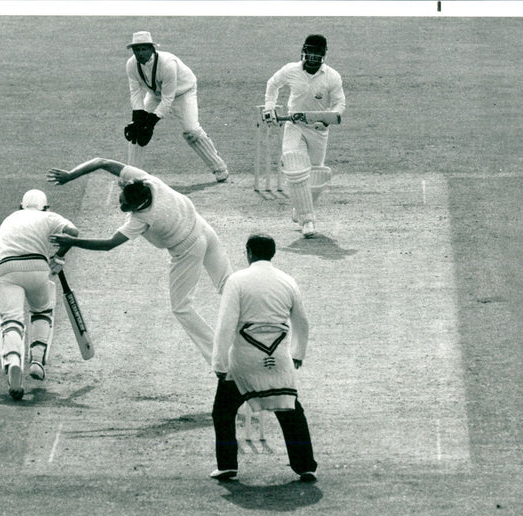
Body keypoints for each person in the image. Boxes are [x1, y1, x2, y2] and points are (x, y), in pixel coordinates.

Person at [47, 157, 233, 365]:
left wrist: (71, 241)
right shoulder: (145, 180)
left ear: (138, 205)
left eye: (125, 206)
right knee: (229, 284)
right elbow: (101, 162)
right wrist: (70, 175)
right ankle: (260, 327)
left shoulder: (143, 218)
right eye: (121, 200)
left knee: (181, 307)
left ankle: (221, 359)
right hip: (204, 228)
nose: (121, 208)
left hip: (188, 247)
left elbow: (109, 244)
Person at [209, 233, 317, 482]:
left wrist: (219, 362)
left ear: (248, 252)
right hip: (279, 358)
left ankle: (227, 465)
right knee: (290, 409)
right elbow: (302, 321)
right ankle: (305, 466)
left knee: (223, 411)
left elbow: (226, 324)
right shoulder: (288, 281)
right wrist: (297, 353)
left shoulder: (236, 281)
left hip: (244, 361)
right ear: (273, 253)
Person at [0, 189, 79, 400]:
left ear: (21, 206)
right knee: (42, 311)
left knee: (11, 321)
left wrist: (4, 276)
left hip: (4, 268)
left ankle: (13, 365)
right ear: (46, 207)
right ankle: (36, 361)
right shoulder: (48, 216)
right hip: (37, 266)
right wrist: (59, 256)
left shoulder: (11, 219)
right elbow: (73, 232)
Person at [263, 34, 346, 238]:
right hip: (294, 125)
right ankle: (308, 219)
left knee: (316, 175)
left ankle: (300, 207)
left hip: (318, 129)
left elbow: (339, 104)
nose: (313, 56)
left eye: (318, 52)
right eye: (310, 51)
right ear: (304, 50)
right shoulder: (290, 70)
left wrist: (326, 119)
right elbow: (272, 84)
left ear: (324, 54)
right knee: (294, 164)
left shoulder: (332, 76)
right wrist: (270, 108)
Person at [123, 31, 229, 183]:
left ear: (152, 49)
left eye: (143, 49)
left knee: (192, 131)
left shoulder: (167, 63)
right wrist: (138, 119)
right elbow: (135, 92)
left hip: (183, 92)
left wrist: (151, 123)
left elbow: (168, 98)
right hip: (155, 94)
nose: (140, 53)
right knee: (137, 131)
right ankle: (132, 177)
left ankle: (220, 168)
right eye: (136, 49)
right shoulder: (131, 64)